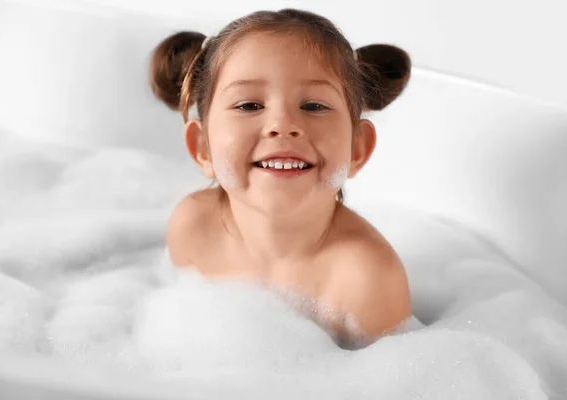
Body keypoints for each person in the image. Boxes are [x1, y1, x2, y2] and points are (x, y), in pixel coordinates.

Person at [150, 8, 412, 349]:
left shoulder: (365, 280)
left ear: (357, 149)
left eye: (314, 106)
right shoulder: (193, 227)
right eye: (248, 105)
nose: (282, 123)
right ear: (203, 148)